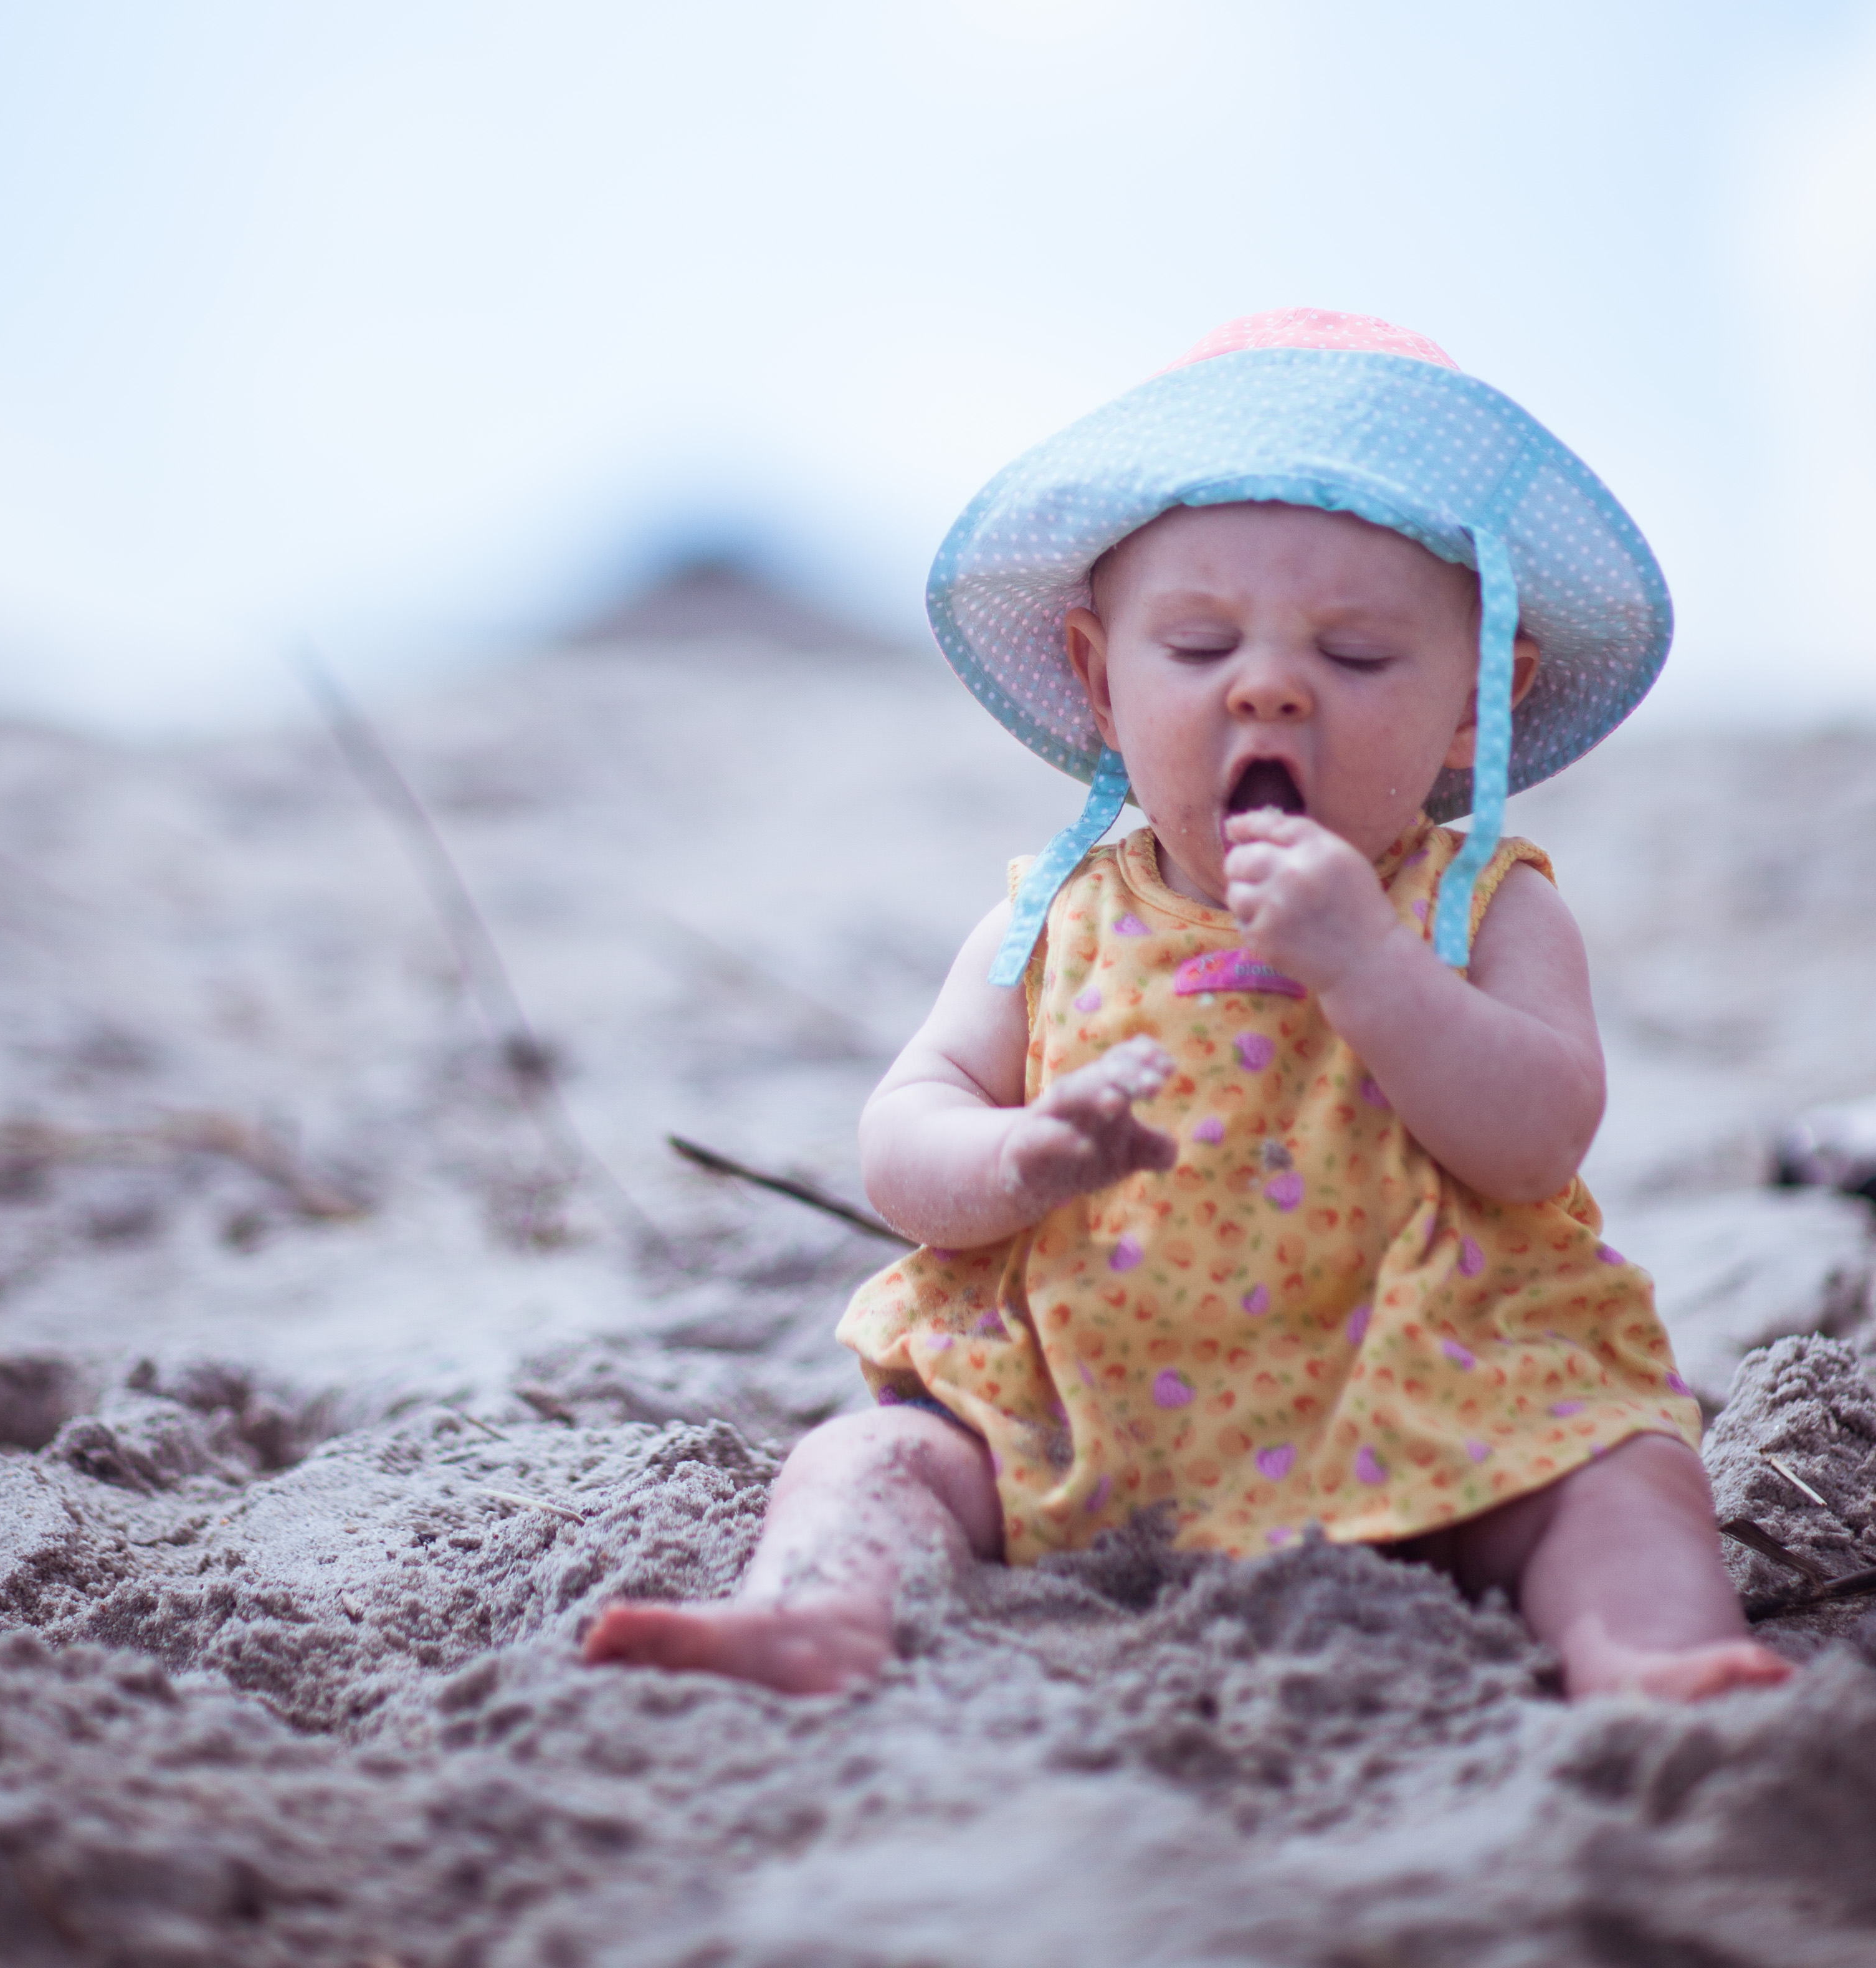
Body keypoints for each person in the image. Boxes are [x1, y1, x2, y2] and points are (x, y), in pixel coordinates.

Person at [587, 310, 1786, 1704]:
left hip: (1436, 1405)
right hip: (1082, 1407)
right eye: (1202, 644)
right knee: (868, 1459)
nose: (1268, 688)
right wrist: (1014, 1156)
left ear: (1479, 703)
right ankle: (816, 1614)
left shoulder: (1482, 907)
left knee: (1624, 1471)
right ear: (1102, 684)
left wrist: (1372, 969)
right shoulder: (1053, 917)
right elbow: (904, 1129)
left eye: (1355, 656)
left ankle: (1646, 1653)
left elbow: (1536, 1141)